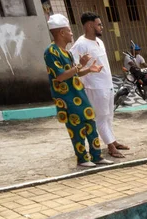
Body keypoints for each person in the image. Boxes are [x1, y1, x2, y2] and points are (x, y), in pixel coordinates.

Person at [44, 14, 113, 168]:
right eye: (69, 31)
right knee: (76, 128)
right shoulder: (51, 52)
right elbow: (61, 76)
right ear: (61, 33)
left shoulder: (66, 52)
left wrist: (89, 69)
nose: (72, 33)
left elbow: (74, 72)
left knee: (90, 123)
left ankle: (96, 156)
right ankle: (82, 159)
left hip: (78, 93)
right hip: (67, 97)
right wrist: (79, 66)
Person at [71, 12, 129, 159]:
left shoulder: (99, 42)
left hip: (107, 84)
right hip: (94, 87)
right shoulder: (80, 45)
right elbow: (74, 69)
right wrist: (87, 71)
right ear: (90, 26)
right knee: (101, 117)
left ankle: (113, 141)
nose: (102, 27)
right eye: (99, 24)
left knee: (109, 115)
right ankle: (110, 147)